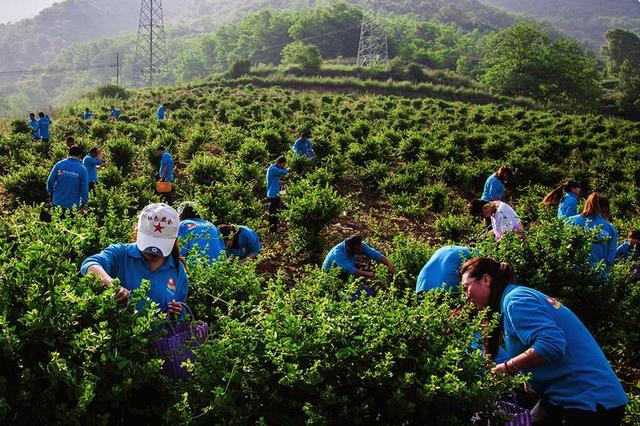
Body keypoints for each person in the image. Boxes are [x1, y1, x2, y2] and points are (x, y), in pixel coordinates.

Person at [461, 257, 627, 425]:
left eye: (466, 287)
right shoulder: (513, 298)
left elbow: (552, 345)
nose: (466, 296)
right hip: (562, 396)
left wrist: (508, 368)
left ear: (486, 280)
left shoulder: (515, 300)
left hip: (589, 401)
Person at [80, 203, 187, 316]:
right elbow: (90, 264)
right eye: (149, 241)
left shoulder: (177, 269)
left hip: (160, 334)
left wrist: (179, 312)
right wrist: (113, 286)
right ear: (138, 231)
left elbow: (181, 304)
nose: (153, 251)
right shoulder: (121, 254)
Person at [565, 193, 617, 272]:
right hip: (598, 275)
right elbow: (610, 260)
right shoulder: (610, 229)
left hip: (572, 273)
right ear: (605, 209)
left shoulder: (571, 221)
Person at [322, 235, 394, 278]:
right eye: (357, 250)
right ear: (350, 248)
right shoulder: (338, 253)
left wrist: (388, 264)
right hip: (331, 274)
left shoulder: (359, 245)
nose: (361, 251)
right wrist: (369, 274)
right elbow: (350, 270)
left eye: (361, 248)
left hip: (348, 267)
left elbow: (374, 254)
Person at [46, 145, 89, 211]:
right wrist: (83, 203)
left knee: (56, 220)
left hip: (57, 201)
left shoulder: (59, 164)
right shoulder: (82, 169)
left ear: (68, 153)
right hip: (72, 205)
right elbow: (85, 188)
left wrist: (52, 194)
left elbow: (50, 181)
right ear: (80, 155)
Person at [266, 156, 289, 233]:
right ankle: (272, 230)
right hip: (273, 195)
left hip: (276, 194)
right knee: (273, 214)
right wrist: (289, 169)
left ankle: (274, 230)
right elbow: (283, 172)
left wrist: (280, 182)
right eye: (283, 165)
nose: (283, 167)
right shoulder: (273, 169)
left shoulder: (273, 169)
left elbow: (273, 179)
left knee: (275, 213)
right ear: (279, 163)